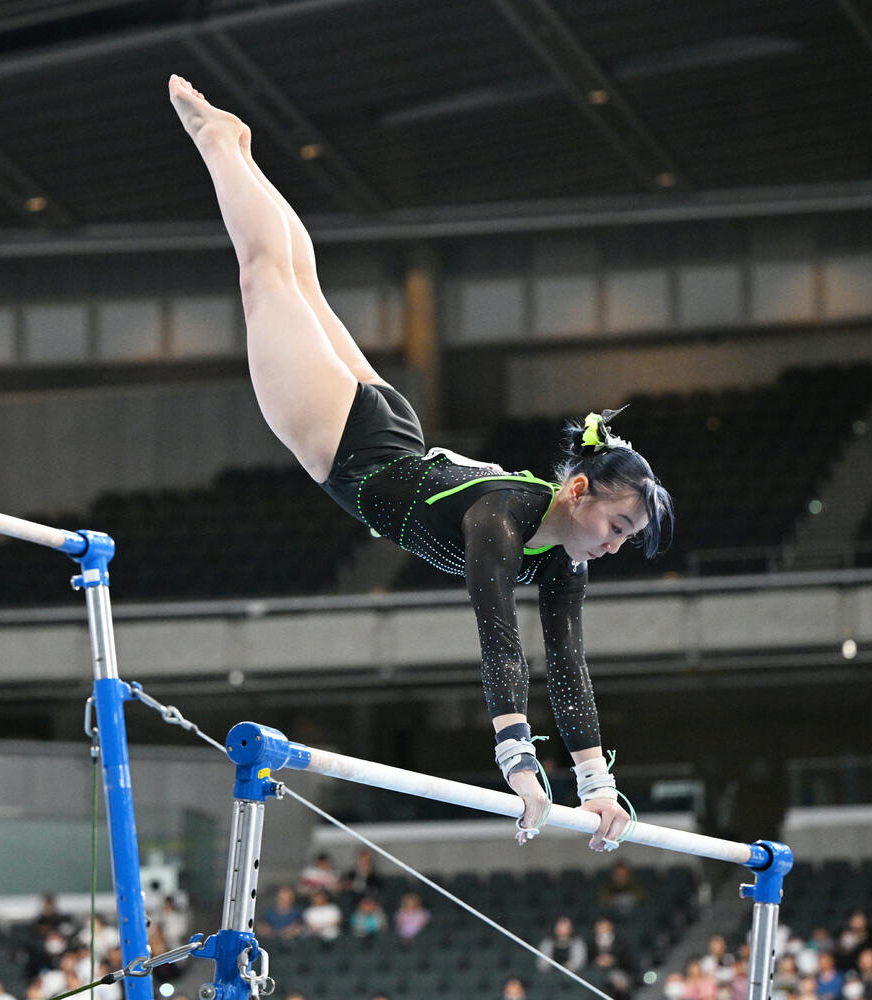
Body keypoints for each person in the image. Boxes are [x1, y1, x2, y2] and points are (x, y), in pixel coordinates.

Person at [167, 74, 670, 849]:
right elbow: (498, 635)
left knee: (293, 275)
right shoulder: (506, 521)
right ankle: (218, 145)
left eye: (629, 536)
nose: (617, 542)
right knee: (268, 275)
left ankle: (235, 148)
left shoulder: (564, 557)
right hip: (352, 447)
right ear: (579, 491)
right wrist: (518, 760)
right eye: (618, 522)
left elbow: (567, 668)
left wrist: (599, 787)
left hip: (385, 431)